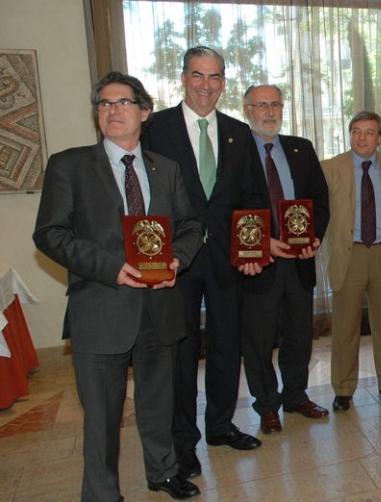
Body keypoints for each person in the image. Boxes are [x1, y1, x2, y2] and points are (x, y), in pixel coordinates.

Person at [33, 72, 203, 501]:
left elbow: (190, 225)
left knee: (158, 402)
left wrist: (177, 260)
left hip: (160, 306)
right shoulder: (68, 165)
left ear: (144, 113)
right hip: (101, 307)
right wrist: (112, 268)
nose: (113, 111)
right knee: (102, 416)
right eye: (105, 104)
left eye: (123, 103)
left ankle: (163, 473)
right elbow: (50, 234)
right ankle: (102, 492)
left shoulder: (166, 169)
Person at [142, 46, 262, 479]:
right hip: (177, 262)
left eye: (214, 78)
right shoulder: (156, 129)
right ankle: (183, 443)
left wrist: (252, 250)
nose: (205, 86)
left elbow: (252, 198)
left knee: (229, 346)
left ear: (223, 82)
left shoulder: (238, 132)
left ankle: (220, 426)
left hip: (228, 260)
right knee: (182, 352)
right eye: (197, 76)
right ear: (183, 78)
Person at [239, 84, 331, 434]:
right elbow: (229, 207)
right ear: (247, 109)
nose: (270, 111)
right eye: (261, 105)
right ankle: (266, 406)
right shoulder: (236, 152)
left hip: (298, 262)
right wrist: (262, 244)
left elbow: (319, 199)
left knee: (298, 336)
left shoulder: (301, 148)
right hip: (257, 264)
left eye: (275, 104)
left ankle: (295, 396)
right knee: (258, 341)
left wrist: (316, 236)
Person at [322, 111, 381, 412]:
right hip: (350, 254)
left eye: (369, 132)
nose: (362, 138)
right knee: (346, 326)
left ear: (380, 137)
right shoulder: (330, 168)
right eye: (356, 131)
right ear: (349, 135)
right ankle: (344, 388)